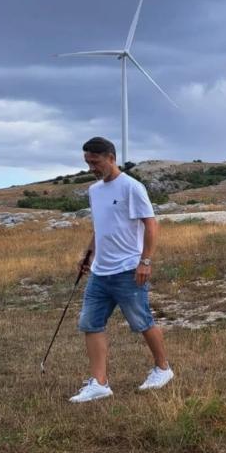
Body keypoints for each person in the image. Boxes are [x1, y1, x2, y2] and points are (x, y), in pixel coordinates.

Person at [69, 137, 173, 403]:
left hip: (128, 270)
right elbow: (100, 228)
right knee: (90, 323)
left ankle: (163, 369)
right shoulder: (94, 191)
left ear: (111, 158)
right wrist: (88, 255)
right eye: (88, 163)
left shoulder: (132, 187)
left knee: (142, 322)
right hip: (101, 272)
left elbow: (151, 225)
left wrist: (145, 261)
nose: (91, 167)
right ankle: (99, 383)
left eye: (95, 162)